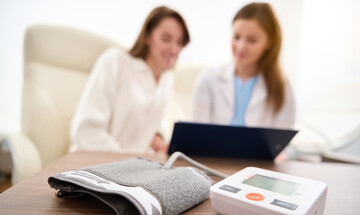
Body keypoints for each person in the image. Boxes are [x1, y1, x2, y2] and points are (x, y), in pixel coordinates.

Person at [70, 6, 190, 154]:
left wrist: (156, 137)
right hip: (91, 165)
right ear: (147, 36)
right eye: (166, 39)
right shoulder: (116, 61)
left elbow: (150, 124)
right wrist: (128, 162)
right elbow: (86, 133)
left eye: (180, 43)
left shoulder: (167, 78)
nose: (174, 50)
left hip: (131, 169)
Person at [193, 2, 295, 129]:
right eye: (236, 37)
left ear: (270, 42)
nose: (241, 47)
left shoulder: (282, 88)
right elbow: (199, 135)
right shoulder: (208, 79)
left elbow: (280, 144)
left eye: (251, 40)